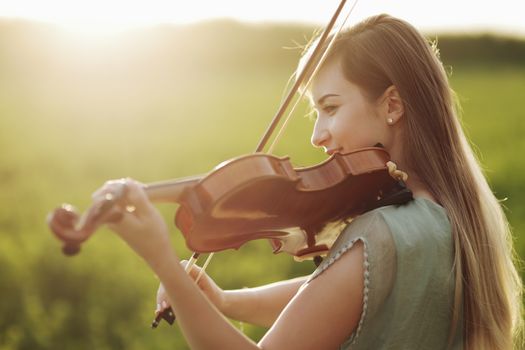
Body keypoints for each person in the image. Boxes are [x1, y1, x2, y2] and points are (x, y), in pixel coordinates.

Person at [94, 14, 523, 349]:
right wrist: (226, 301)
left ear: (392, 104)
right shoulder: (451, 217)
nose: (317, 135)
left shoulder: (380, 231)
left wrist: (163, 262)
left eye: (331, 107)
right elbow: (343, 296)